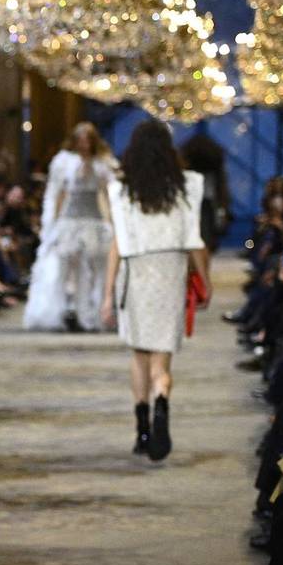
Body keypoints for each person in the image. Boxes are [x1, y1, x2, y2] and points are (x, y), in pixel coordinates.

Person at [100, 119, 213, 461]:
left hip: (137, 272)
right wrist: (205, 283)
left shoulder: (121, 189)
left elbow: (118, 244)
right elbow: (195, 241)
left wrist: (107, 295)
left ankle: (143, 429)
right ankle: (162, 399)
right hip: (170, 272)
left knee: (139, 355)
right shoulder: (188, 185)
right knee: (161, 360)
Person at [23, 122, 116, 332]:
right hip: (69, 219)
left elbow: (111, 194)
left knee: (95, 268)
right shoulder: (63, 162)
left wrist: (112, 222)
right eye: (80, 139)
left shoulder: (103, 162)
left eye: (88, 139)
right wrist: (51, 224)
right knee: (66, 266)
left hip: (94, 219)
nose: (84, 144)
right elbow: (55, 194)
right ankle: (68, 309)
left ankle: (92, 313)